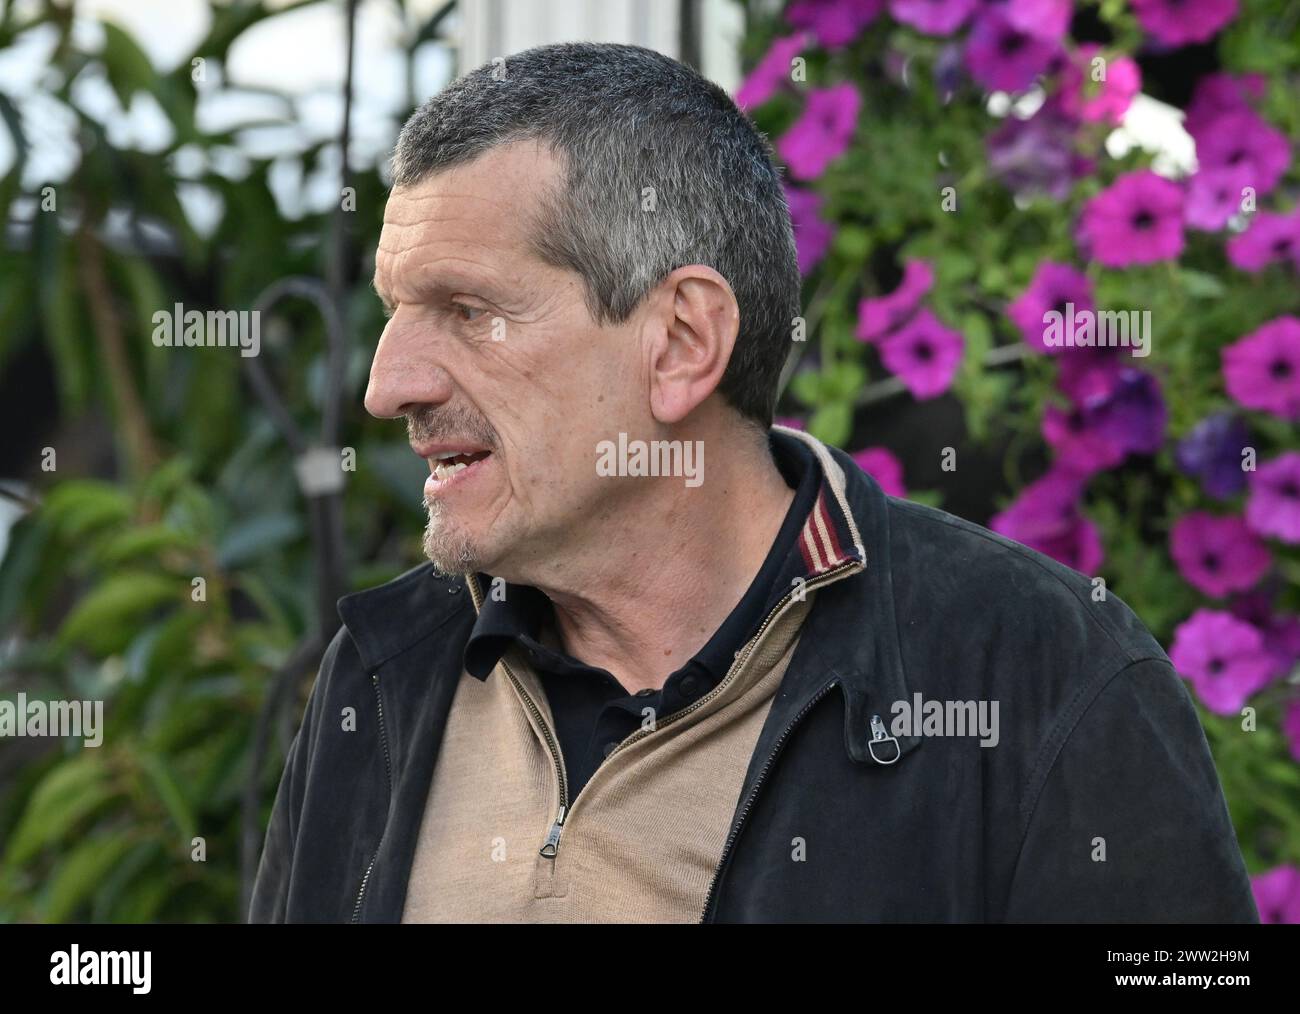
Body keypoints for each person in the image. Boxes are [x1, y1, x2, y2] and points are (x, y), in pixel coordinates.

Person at [249, 42, 1258, 923]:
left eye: (466, 310)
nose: (387, 387)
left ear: (682, 341)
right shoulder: (381, 676)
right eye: (393, 312)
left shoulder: (1039, 679)